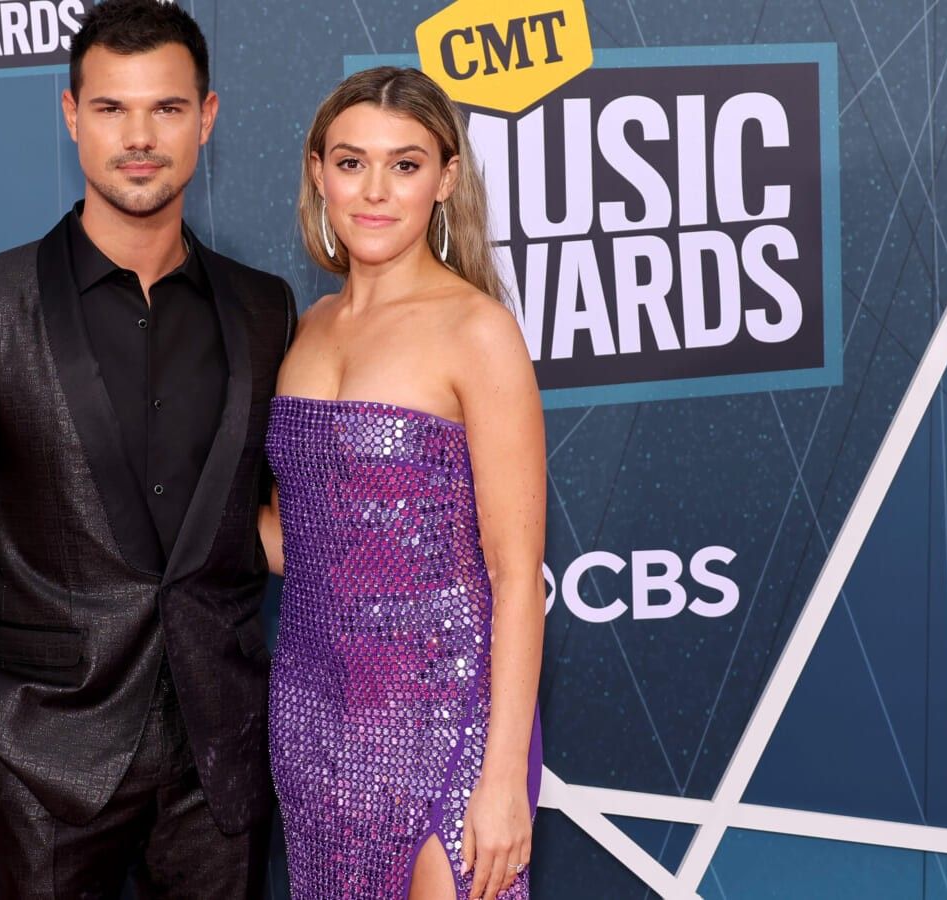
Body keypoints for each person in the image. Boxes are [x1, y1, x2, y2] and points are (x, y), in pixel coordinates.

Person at [0, 1, 296, 895]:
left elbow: (268, 516)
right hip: (42, 759)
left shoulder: (265, 310)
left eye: (167, 109)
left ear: (208, 118)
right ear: (71, 116)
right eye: (111, 108)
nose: (139, 137)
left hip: (219, 762)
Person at [260, 67, 546, 900]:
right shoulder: (304, 329)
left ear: (446, 177)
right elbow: (309, 543)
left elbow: (515, 574)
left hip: (449, 714)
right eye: (351, 164)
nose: (375, 191)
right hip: (313, 716)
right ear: (318, 172)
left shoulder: (477, 330)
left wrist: (500, 782)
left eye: (406, 164)